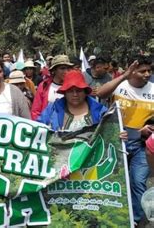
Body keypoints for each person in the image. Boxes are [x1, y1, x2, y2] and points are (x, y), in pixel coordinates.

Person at [97, 55, 153, 225]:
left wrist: (146, 131)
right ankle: (113, 216)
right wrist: (123, 76)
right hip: (116, 142)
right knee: (115, 182)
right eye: (142, 71)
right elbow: (100, 93)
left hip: (141, 146)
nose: (147, 74)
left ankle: (133, 221)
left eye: (149, 71)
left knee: (138, 182)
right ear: (132, 70)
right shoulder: (119, 85)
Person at [37, 70, 107, 131]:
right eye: (70, 91)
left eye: (79, 90)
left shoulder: (100, 111)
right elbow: (38, 127)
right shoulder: (53, 109)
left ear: (85, 92)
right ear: (65, 93)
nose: (75, 94)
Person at [31, 55, 73, 120]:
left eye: (68, 68)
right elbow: (36, 111)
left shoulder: (73, 86)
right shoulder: (44, 86)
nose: (66, 71)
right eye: (62, 68)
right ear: (54, 70)